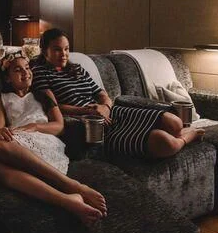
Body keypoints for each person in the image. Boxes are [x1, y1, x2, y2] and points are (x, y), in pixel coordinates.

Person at [31, 28, 204, 159]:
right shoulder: (40, 72)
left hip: (110, 111)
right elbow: (53, 106)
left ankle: (180, 133)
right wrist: (88, 111)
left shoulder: (77, 69)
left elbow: (102, 93)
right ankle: (190, 136)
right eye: (57, 50)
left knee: (174, 122)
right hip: (91, 122)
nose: (64, 54)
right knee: (166, 143)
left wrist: (105, 106)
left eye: (67, 49)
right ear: (44, 51)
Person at [0, 51, 108, 226]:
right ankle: (67, 200)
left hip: (43, 139)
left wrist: (35, 127)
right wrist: (0, 132)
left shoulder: (44, 93)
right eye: (18, 70)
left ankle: (72, 185)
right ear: (8, 78)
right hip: (17, 142)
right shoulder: (0, 99)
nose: (26, 72)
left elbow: (59, 125)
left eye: (27, 68)